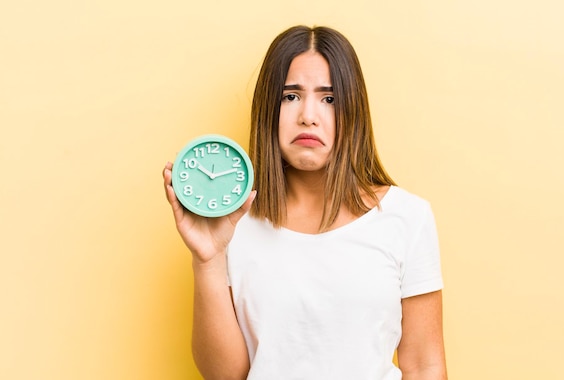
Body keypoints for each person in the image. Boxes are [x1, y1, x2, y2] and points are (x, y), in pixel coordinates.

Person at [163, 25, 447, 380]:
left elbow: (424, 366)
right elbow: (226, 376)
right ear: (269, 108)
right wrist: (207, 261)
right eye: (290, 96)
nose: (308, 115)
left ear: (353, 112)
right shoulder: (233, 225)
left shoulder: (407, 217)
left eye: (329, 99)